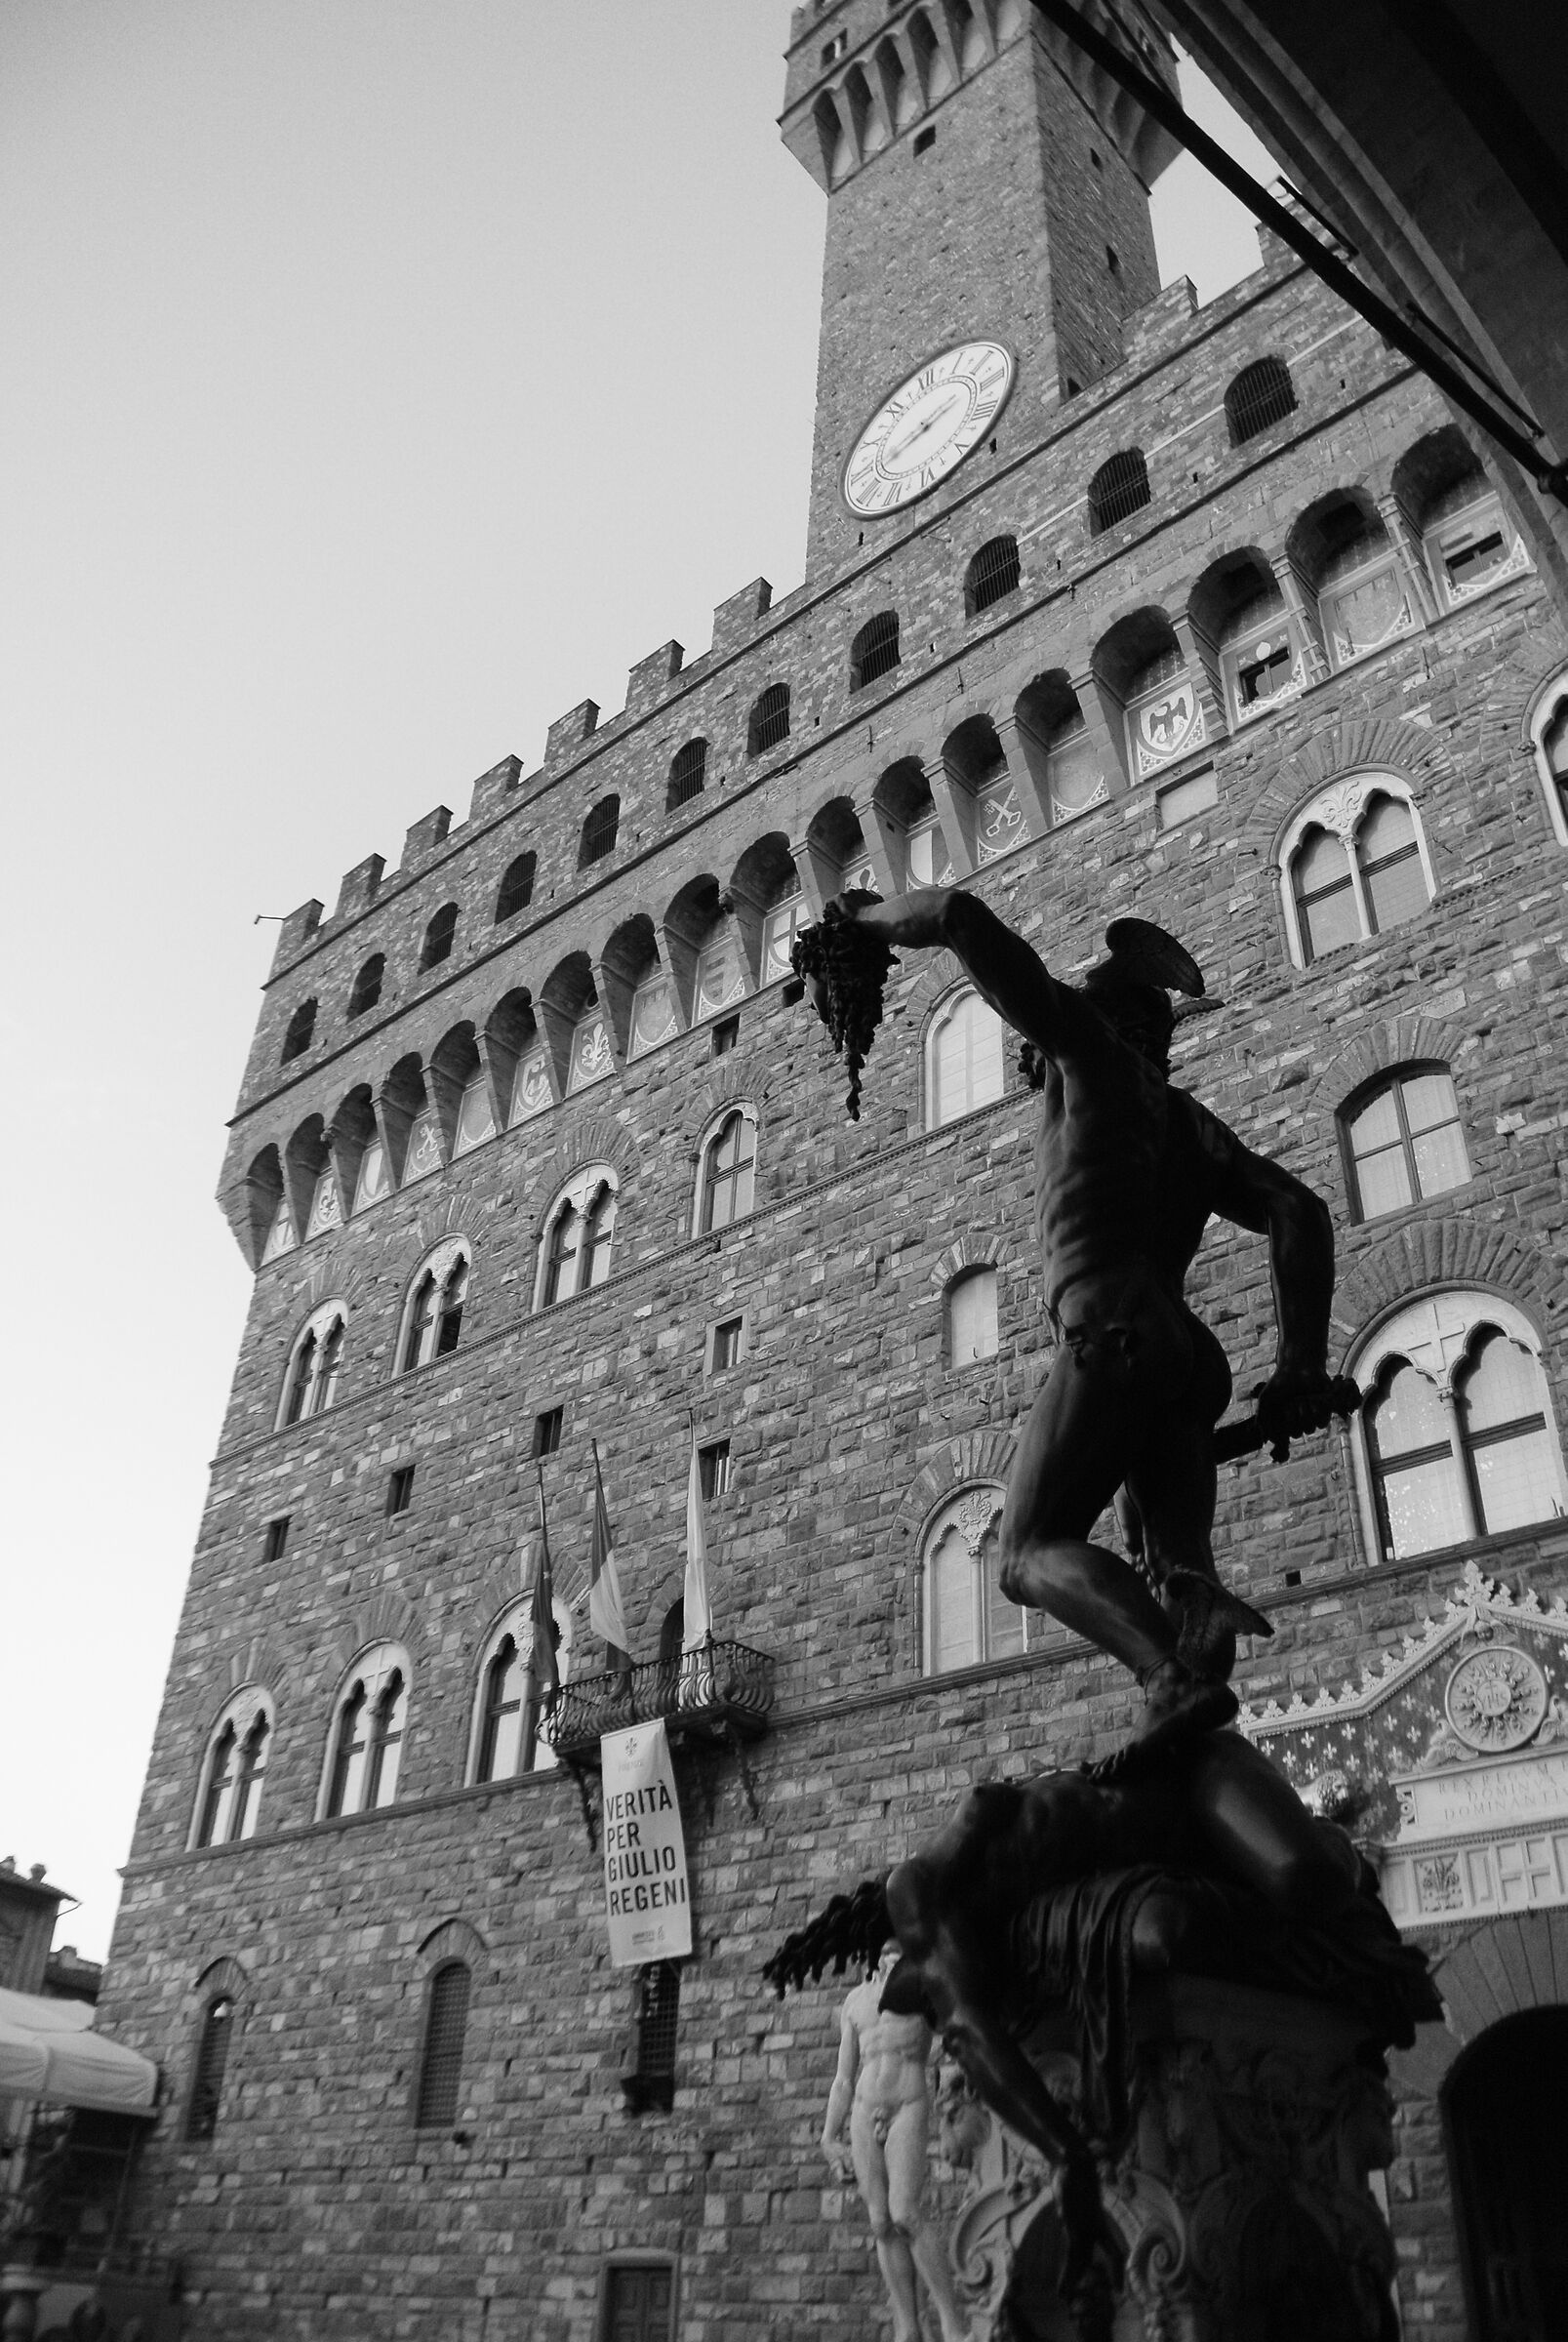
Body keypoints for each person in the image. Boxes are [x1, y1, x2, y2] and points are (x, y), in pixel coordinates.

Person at [820, 889, 1343, 1754]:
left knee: (1025, 1552)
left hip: (1110, 1336)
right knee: (1177, 1571)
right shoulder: (1192, 1127)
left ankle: (1165, 1680)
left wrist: (868, 923)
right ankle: (1190, 1708)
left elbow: (957, 916)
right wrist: (1297, 1367)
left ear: (1099, 1019)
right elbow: (1299, 1211)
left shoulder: (1090, 1057)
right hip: (1183, 1359)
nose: (1032, 1043)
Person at [821, 1944, 971, 2342]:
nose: (890, 1960)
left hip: (907, 2102)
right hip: (863, 2107)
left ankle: (952, 2322)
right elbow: (843, 2077)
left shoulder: (920, 1991)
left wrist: (953, 2107)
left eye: (897, 1954)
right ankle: (908, 2326)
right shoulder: (854, 2002)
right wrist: (827, 2135)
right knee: (880, 2222)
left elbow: (957, 2037)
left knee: (905, 2212)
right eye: (884, 1954)